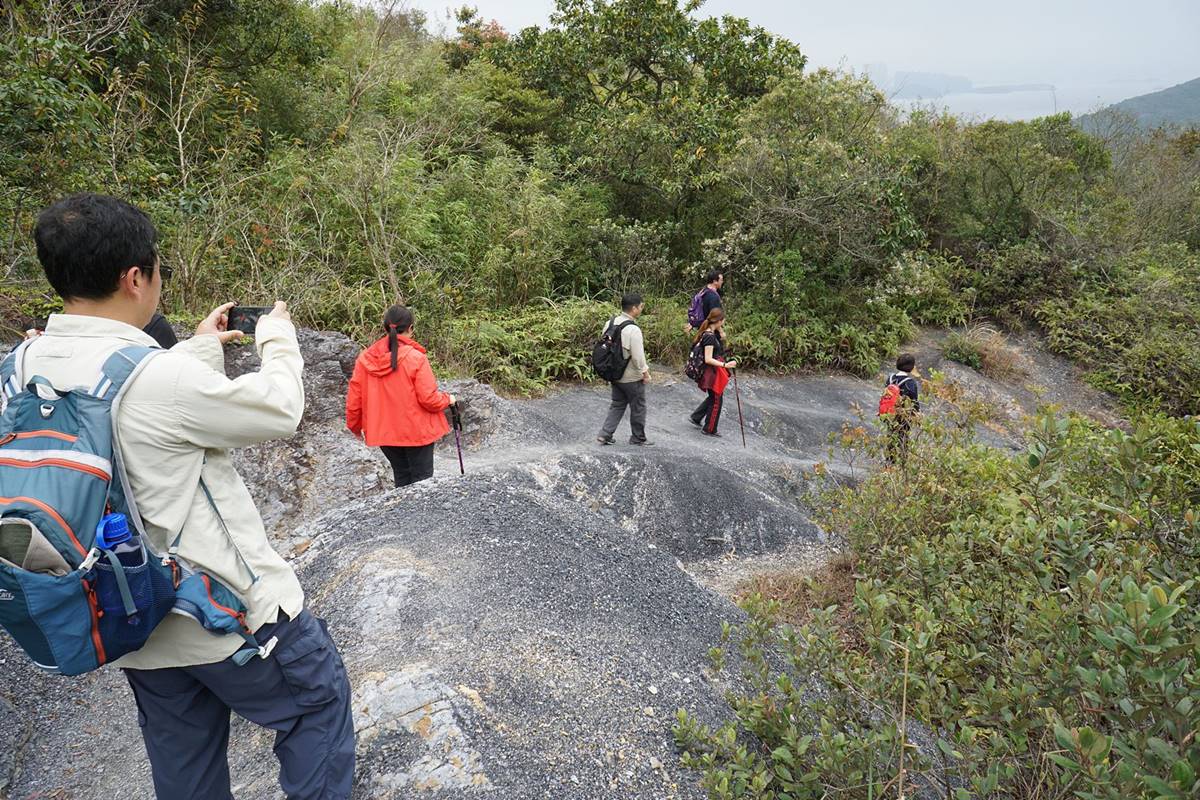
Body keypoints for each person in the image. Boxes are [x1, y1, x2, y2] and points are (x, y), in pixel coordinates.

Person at [20, 193, 354, 799]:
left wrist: (199, 348)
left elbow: (140, 406)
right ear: (134, 277)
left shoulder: (21, 366)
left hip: (132, 619)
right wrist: (278, 338)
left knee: (186, 772)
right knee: (316, 709)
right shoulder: (161, 376)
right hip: (224, 613)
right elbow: (279, 409)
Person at [345, 304, 456, 487]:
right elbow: (428, 399)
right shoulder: (416, 358)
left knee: (402, 476)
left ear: (385, 328)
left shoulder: (365, 359)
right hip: (417, 432)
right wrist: (448, 399)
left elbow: (354, 401)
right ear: (410, 328)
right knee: (422, 482)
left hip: (385, 433)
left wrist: (355, 427)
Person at [597, 292, 652, 446]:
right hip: (631, 377)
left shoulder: (610, 323)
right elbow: (638, 357)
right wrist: (645, 374)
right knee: (638, 406)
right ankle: (638, 437)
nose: (641, 309)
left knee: (617, 404)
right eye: (640, 307)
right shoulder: (633, 329)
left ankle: (605, 434)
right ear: (634, 308)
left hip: (614, 373)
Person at [689, 308, 737, 436]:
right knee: (716, 400)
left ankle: (696, 417)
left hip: (712, 371)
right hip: (710, 373)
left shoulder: (709, 332)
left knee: (714, 397)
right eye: (723, 320)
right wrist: (725, 365)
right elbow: (708, 359)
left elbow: (717, 348)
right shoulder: (709, 337)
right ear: (719, 321)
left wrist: (721, 332)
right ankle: (709, 429)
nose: (724, 323)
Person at [884, 353, 920, 464]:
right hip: (903, 416)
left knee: (891, 436)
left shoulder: (890, 379)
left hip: (889, 414)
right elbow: (914, 401)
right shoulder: (910, 383)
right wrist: (916, 414)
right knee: (903, 438)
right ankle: (902, 464)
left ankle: (889, 462)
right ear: (911, 367)